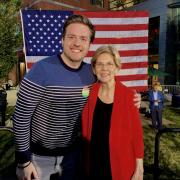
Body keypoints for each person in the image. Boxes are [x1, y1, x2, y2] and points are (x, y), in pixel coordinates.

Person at [13, 15, 141, 180]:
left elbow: (110, 79)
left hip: (74, 157)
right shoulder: (41, 70)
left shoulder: (91, 73)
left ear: (89, 43)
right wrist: (23, 161)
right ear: (62, 39)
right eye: (71, 37)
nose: (77, 43)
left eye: (83, 38)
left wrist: (133, 96)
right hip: (38, 159)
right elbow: (21, 117)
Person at [82, 45, 144, 180]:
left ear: (117, 68)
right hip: (93, 163)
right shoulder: (87, 93)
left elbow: (136, 133)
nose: (104, 69)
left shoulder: (129, 96)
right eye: (99, 64)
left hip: (120, 165)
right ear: (93, 68)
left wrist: (139, 166)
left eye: (109, 64)